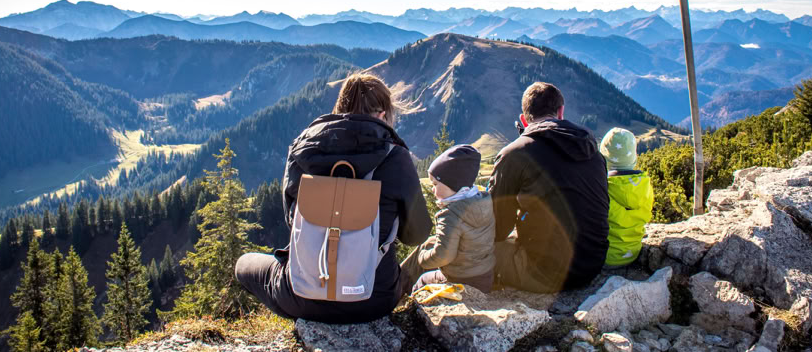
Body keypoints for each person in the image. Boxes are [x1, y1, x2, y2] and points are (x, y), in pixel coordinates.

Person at [234, 73, 432, 324]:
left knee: (243, 264)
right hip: (373, 299)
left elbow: (291, 219)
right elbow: (417, 234)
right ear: (383, 115)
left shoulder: (302, 149)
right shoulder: (395, 158)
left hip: (300, 297)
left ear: (339, 108)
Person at [489, 81, 609, 293]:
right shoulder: (593, 151)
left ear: (524, 120)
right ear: (561, 112)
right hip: (592, 266)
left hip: (544, 273)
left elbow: (498, 228)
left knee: (464, 250)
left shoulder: (515, 154)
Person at [400, 144, 496, 293]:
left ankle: (406, 303)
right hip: (484, 275)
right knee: (428, 243)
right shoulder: (483, 202)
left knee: (423, 279)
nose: (432, 189)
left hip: (460, 279)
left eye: (435, 184)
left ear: (453, 185)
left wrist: (422, 258)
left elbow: (443, 256)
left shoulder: (451, 214)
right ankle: (398, 281)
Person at [599, 127, 654, 266]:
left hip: (605, 257)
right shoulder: (645, 185)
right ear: (634, 157)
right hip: (633, 253)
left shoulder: (602, 187)